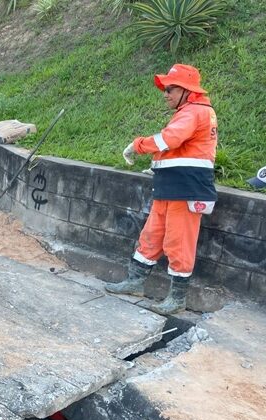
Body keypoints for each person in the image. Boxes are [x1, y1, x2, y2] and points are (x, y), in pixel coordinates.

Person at [105, 64, 218, 315]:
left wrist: (138, 145)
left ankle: (177, 299)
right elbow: (179, 149)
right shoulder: (191, 111)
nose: (165, 94)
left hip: (185, 189)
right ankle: (135, 282)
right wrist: (160, 167)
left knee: (179, 242)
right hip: (172, 185)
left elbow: (169, 139)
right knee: (152, 235)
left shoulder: (194, 112)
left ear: (186, 90)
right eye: (164, 90)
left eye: (170, 89)